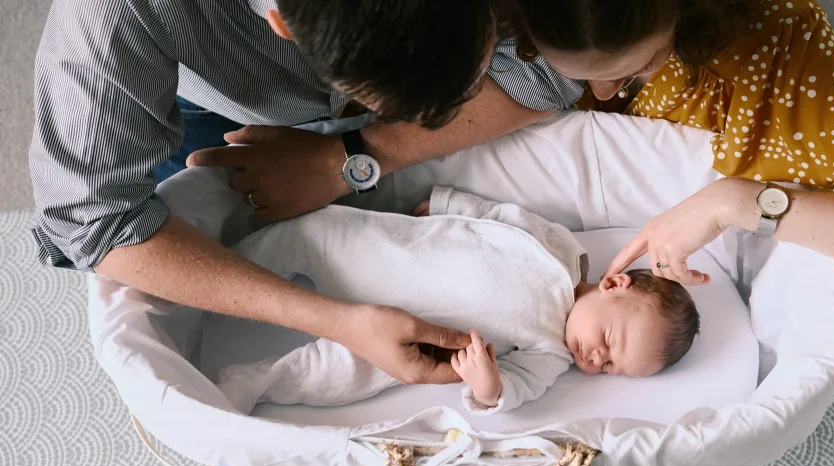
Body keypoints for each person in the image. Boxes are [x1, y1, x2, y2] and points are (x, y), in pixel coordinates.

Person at [29, 0, 582, 386]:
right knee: (188, 216)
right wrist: (334, 321)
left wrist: (354, 158)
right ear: (282, 23)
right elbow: (96, 219)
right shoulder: (109, 18)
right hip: (206, 99)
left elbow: (558, 67)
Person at [508, 0, 834, 290]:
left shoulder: (788, 59)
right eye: (571, 72)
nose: (601, 96)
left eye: (634, 69)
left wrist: (740, 201)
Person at [215, 187, 699, 414]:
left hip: (407, 336)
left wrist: (489, 387)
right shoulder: (564, 250)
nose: (595, 357)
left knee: (339, 377)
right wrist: (450, 204)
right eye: (610, 340)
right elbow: (503, 217)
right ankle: (220, 270)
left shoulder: (550, 355)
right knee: (316, 232)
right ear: (615, 286)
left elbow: (518, 390)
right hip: (392, 256)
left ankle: (256, 382)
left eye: (609, 366)